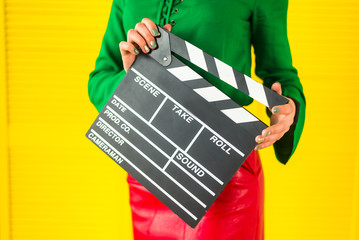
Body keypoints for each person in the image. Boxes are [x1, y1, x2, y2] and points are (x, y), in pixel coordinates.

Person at [88, 0, 306, 239]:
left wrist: (288, 109)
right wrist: (134, 76)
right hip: (149, 168)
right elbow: (100, 78)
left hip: (222, 171)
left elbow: (281, 73)